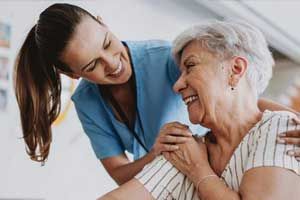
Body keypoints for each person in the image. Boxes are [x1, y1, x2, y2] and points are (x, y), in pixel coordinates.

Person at [14, 3, 300, 185]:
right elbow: (119, 174)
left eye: (107, 43)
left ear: (104, 23)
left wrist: (292, 118)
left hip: (220, 167)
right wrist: (154, 154)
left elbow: (240, 99)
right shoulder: (87, 102)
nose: (112, 63)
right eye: (92, 65)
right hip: (168, 182)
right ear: (73, 75)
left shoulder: (166, 58)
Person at [98, 21, 300, 200]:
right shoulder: (186, 149)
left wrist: (198, 170)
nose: (177, 85)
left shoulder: (282, 128)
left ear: (236, 69)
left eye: (191, 66)